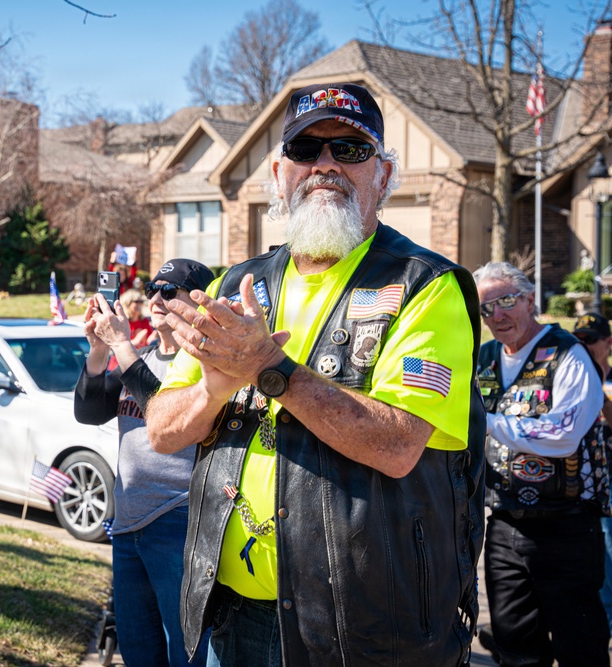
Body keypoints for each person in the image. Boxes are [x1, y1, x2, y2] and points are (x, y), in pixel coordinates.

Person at [144, 82, 485, 665]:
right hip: (234, 614)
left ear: (383, 173)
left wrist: (269, 369)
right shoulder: (237, 285)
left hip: (365, 626)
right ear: (279, 173)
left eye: (349, 149)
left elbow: (399, 444)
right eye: (307, 150)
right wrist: (214, 388)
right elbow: (161, 431)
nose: (325, 165)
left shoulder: (425, 285)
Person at [75, 258, 214, 667]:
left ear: (198, 303)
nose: (155, 298)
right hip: (129, 523)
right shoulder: (145, 358)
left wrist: (122, 345)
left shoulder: (203, 363)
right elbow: (89, 411)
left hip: (179, 522)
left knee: (185, 653)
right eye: (153, 288)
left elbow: (162, 409)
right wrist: (99, 351)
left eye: (169, 292)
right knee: (138, 649)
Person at [474, 265, 609, 666]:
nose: (496, 316)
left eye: (505, 302)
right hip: (503, 524)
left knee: (579, 646)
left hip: (566, 524)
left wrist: (485, 423)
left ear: (530, 300)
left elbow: (563, 434)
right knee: (514, 646)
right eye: (486, 309)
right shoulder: (481, 357)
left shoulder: (569, 353)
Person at [572, 311, 612, 639]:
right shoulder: (571, 376)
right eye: (578, 339)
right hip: (584, 488)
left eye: (590, 340)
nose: (583, 345)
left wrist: (597, 387)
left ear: (608, 343)